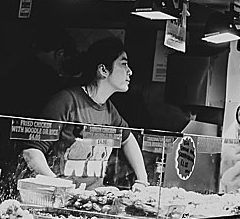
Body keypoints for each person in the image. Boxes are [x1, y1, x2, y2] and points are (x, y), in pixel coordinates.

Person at [22, 37, 149, 188]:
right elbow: (31, 151)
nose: (130, 71)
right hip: (60, 199)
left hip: (91, 200)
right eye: (124, 64)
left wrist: (142, 180)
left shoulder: (109, 110)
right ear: (103, 70)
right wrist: (58, 185)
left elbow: (127, 139)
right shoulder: (66, 101)